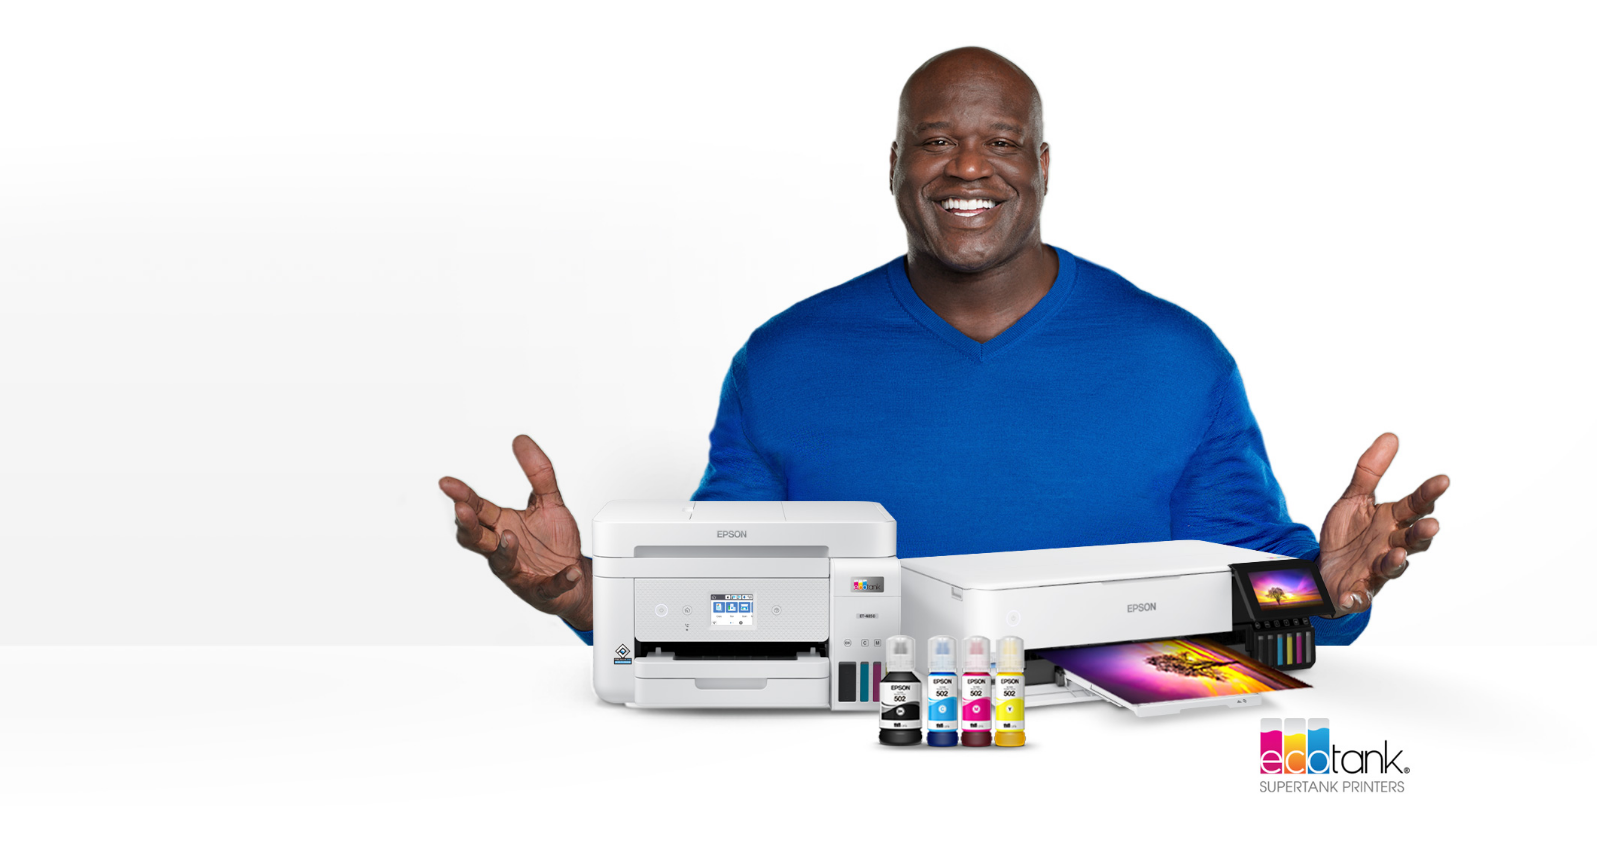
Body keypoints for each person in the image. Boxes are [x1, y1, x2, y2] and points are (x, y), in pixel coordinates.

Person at [439, 47, 1449, 646]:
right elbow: (726, 602)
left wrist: (1323, 582)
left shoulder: (1175, 357)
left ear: (1044, 166)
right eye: (936, 139)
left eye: (1002, 141)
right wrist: (579, 594)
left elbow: (1244, 601)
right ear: (893, 166)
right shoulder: (782, 360)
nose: (968, 163)